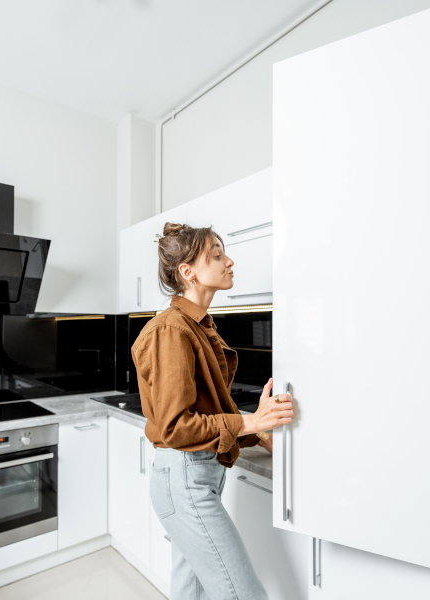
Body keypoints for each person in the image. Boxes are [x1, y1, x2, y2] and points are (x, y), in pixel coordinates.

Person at [131, 223, 295, 600]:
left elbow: (213, 406)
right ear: (188, 272)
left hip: (195, 476)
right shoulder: (171, 330)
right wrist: (252, 420)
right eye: (217, 255)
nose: (229, 260)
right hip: (184, 478)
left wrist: (261, 434)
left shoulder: (198, 325)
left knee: (193, 591)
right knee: (243, 594)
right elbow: (176, 426)